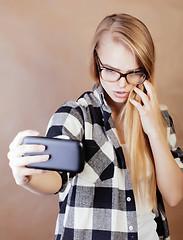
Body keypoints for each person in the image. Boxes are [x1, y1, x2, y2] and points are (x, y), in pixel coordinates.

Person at [8, 13, 183, 240]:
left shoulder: (160, 117)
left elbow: (174, 195)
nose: (121, 83)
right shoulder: (75, 116)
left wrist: (154, 131)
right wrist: (26, 178)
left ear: (146, 70)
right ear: (96, 61)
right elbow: (55, 179)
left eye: (133, 72)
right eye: (110, 70)